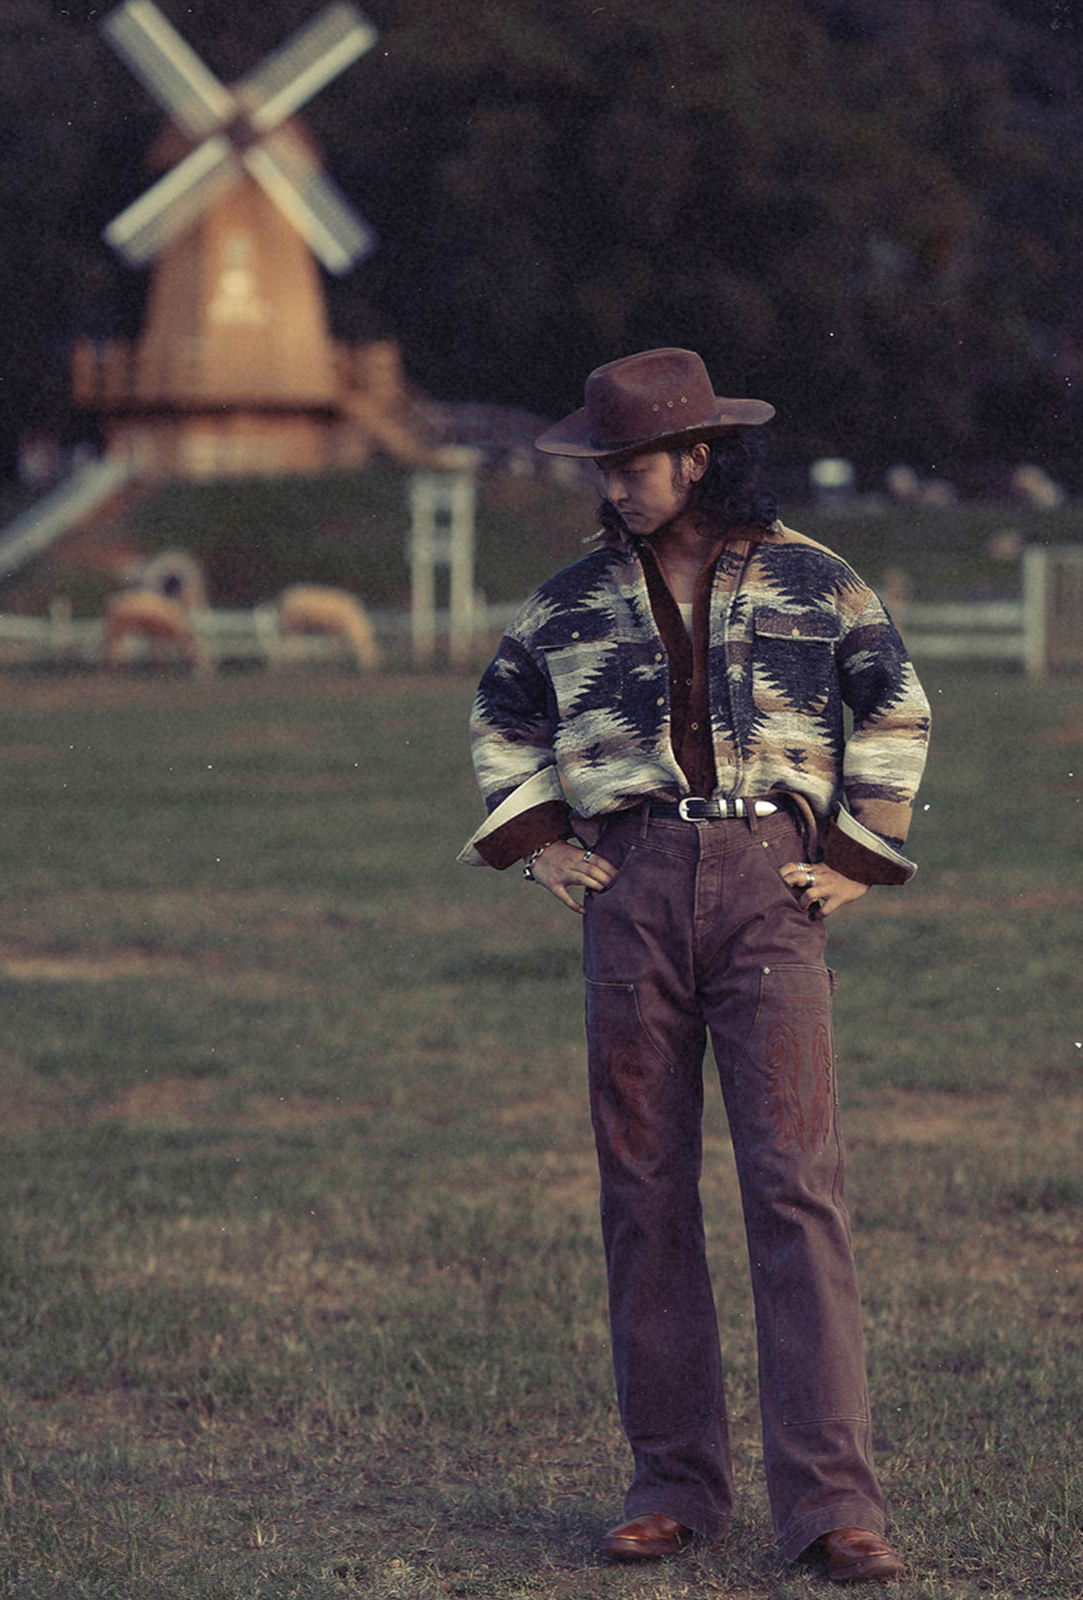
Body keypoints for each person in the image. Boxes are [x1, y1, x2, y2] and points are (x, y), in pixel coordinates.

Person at [459, 349, 930, 1584]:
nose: (616, 485)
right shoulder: (566, 602)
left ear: (697, 456)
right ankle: (669, 1487)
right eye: (604, 465)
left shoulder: (810, 579)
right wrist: (541, 843)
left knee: (795, 1188)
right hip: (628, 888)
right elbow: (502, 711)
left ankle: (831, 1506)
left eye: (635, 463)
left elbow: (893, 703)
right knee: (643, 1189)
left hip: (770, 888)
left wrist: (856, 854)